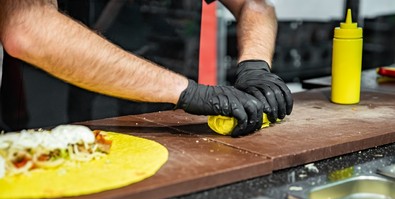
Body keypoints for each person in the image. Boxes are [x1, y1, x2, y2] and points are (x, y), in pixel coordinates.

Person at [0, 0, 293, 137]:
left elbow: (255, 6)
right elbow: (28, 27)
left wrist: (255, 64)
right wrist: (189, 92)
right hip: (50, 129)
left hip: (174, 127)